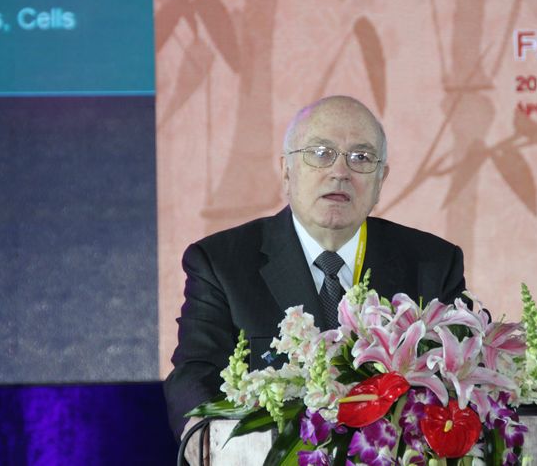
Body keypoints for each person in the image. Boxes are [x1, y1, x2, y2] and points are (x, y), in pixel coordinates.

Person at [164, 95, 469, 463]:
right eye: (321, 153)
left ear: (381, 179)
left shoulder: (433, 263)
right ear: (287, 170)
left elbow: (464, 378)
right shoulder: (221, 263)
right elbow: (195, 372)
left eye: (361, 157)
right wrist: (207, 435)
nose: (340, 172)